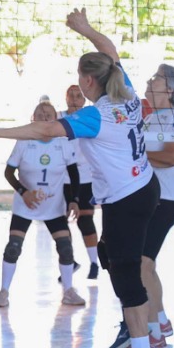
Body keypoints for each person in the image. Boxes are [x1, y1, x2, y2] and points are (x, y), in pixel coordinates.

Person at [0, 15, 164, 348]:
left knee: (126, 275)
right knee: (109, 255)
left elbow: (44, 128)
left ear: (89, 81)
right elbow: (110, 50)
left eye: (79, 79)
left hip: (127, 199)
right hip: (144, 188)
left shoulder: (96, 116)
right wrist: (86, 30)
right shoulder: (128, 94)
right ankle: (133, 326)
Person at [0, 99, 84, 311]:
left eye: (49, 114)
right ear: (33, 119)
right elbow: (8, 172)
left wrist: (74, 200)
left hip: (53, 204)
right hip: (26, 204)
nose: (44, 116)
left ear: (56, 119)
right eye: (40, 113)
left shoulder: (63, 142)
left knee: (65, 247)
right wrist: (23, 192)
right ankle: (3, 292)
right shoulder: (24, 141)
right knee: (13, 247)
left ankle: (68, 292)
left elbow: (73, 173)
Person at [141, 63, 174, 346]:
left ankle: (153, 335)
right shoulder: (149, 119)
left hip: (166, 200)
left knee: (141, 264)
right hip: (149, 198)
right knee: (147, 266)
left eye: (156, 78)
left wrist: (136, 157)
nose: (149, 81)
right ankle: (160, 320)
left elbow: (173, 158)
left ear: (169, 89)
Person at [60, 81, 101, 275]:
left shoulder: (89, 117)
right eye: (71, 95)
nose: (75, 98)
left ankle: (94, 263)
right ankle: (69, 262)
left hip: (85, 177)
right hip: (60, 178)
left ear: (84, 99)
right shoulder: (58, 118)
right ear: (66, 98)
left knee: (85, 220)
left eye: (78, 95)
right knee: (60, 221)